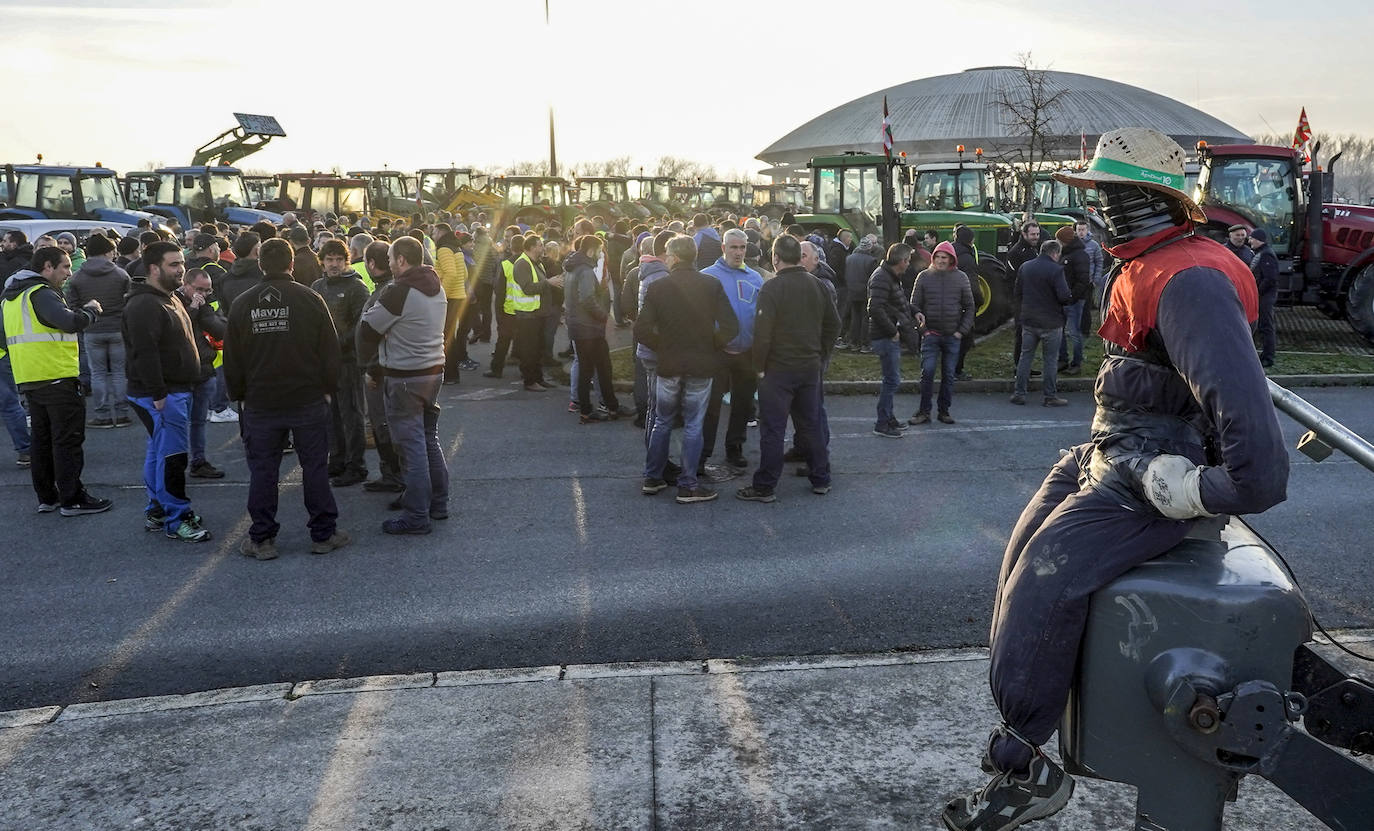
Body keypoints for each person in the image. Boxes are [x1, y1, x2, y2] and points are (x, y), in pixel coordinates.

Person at [943, 128, 1288, 831]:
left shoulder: (1187, 279)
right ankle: (1028, 739)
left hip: (1147, 470)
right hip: (1115, 450)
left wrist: (1191, 489)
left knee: (1047, 574)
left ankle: (1024, 766)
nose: (1095, 210)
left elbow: (1261, 468)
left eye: (1104, 196)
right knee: (1019, 561)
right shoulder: (1155, 263)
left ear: (1138, 199)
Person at [223, 238, 348, 560]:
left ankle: (262, 539)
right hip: (306, 398)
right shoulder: (311, 299)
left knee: (264, 471)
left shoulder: (243, 303)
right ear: (292, 265)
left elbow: (232, 358)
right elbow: (330, 351)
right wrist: (327, 388)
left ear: (261, 264)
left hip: (261, 402)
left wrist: (238, 395)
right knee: (315, 467)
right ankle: (324, 534)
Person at [0, 246, 109, 514]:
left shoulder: (11, 297)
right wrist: (91, 311)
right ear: (47, 267)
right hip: (57, 376)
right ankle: (73, 498)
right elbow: (68, 322)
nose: (69, 274)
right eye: (65, 267)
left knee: (42, 441)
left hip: (30, 377)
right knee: (67, 441)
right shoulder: (41, 293)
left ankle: (48, 496)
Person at [634, 235, 738, 504]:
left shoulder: (659, 288)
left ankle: (653, 477)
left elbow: (641, 329)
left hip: (669, 363)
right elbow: (730, 326)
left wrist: (664, 345)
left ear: (676, 257)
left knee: (662, 420)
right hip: (701, 363)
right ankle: (688, 484)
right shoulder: (711, 285)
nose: (665, 258)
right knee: (694, 423)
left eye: (667, 254)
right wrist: (712, 344)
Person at [357, 236, 450, 535]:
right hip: (433, 371)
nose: (388, 265)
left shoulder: (398, 291)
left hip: (404, 376)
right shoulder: (434, 285)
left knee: (412, 450)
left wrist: (370, 360)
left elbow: (367, 328)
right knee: (427, 439)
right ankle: (438, 503)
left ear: (400, 261)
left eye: (390, 259)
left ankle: (416, 516)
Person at [737, 234, 838, 502]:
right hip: (809, 365)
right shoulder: (817, 284)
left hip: (778, 370)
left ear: (775, 257)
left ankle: (765, 485)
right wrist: (821, 351)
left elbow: (763, 333)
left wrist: (758, 366)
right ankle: (821, 478)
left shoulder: (772, 288)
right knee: (811, 424)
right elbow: (833, 324)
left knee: (773, 429)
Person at [123, 241, 212, 542]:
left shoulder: (168, 298)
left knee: (160, 452)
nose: (181, 270)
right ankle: (177, 517)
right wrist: (159, 394)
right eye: (174, 265)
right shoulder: (144, 304)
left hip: (173, 391)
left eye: (181, 264)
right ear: (153, 268)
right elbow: (144, 352)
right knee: (173, 457)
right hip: (163, 395)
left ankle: (158, 509)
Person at [701, 228, 765, 470]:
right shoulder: (707, 277)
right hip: (717, 353)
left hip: (746, 352)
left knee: (743, 403)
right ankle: (704, 452)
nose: (738, 252)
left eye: (742, 248)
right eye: (733, 247)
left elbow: (761, 314)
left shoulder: (754, 278)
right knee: (712, 405)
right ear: (723, 248)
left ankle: (734, 448)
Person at [312, 238, 371, 486]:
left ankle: (356, 466)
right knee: (330, 415)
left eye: (339, 259)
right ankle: (336, 460)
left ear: (346, 261)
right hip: (325, 363)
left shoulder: (357, 288)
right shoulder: (317, 285)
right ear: (322, 262)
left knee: (352, 414)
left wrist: (335, 344)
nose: (334, 264)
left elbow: (361, 325)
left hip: (348, 361)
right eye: (329, 259)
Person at [66, 233, 132, 428]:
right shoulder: (120, 274)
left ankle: (102, 415)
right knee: (120, 372)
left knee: (98, 373)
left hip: (92, 330)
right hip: (118, 327)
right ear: (107, 252)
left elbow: (72, 305)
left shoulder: (77, 277)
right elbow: (130, 301)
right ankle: (122, 414)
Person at [909, 241, 974, 425]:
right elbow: (914, 305)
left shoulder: (961, 278)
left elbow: (970, 307)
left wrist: (961, 332)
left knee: (948, 375)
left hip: (953, 335)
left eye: (944, 257)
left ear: (951, 259)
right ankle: (923, 411)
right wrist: (923, 328)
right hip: (931, 334)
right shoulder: (923, 277)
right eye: (937, 256)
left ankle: (944, 411)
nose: (940, 260)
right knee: (927, 372)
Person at [563, 234, 627, 422]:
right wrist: (604, 316)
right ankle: (588, 410)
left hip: (580, 325)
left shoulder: (572, 267)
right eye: (599, 250)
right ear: (591, 250)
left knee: (601, 366)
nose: (601, 254)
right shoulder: (585, 270)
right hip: (587, 327)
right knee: (590, 369)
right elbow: (587, 299)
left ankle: (611, 406)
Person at [176, 268, 228, 479]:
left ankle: (198, 461)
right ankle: (175, 466)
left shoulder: (205, 302)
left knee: (198, 421)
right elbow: (177, 330)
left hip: (204, 370)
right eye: (199, 289)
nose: (204, 295)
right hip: (181, 373)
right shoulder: (174, 301)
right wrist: (193, 308)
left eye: (207, 291)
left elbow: (219, 329)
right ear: (186, 285)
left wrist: (203, 308)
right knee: (177, 424)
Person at [1010, 239, 1071, 407]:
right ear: (1055, 253)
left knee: (1025, 357)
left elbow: (1018, 292)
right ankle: (1050, 397)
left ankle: (1019, 393)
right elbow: (1064, 296)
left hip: (1029, 321)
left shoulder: (1026, 267)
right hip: (1051, 323)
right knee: (1050, 360)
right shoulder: (1056, 270)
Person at [867, 243, 914, 438]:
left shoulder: (890, 276)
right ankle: (882, 423)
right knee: (892, 380)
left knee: (891, 379)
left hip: (887, 334)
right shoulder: (882, 277)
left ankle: (889, 418)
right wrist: (892, 331)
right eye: (908, 260)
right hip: (884, 336)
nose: (909, 264)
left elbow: (898, 302)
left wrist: (916, 312)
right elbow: (874, 308)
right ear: (902, 261)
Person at [509, 235, 552, 391]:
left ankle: (538, 378)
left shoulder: (537, 263)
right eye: (540, 245)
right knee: (529, 349)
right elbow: (527, 288)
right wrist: (548, 283)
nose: (543, 248)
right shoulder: (522, 264)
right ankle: (529, 380)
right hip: (527, 315)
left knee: (538, 348)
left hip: (537, 313)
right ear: (532, 247)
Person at [1054, 225, 1091, 375]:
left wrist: (1071, 297)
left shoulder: (1079, 255)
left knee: (1074, 332)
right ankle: (1063, 360)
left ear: (1065, 241)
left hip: (1074, 301)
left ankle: (1076, 363)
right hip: (1064, 299)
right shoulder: (1066, 254)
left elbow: (1082, 280)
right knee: (1060, 331)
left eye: (1058, 240)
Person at [435, 230, 469, 385]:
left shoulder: (444, 249)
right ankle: (452, 374)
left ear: (441, 233)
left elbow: (451, 273)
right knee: (450, 337)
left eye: (436, 231)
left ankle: (449, 375)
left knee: (445, 338)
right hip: (458, 297)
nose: (434, 234)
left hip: (449, 298)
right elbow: (465, 274)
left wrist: (441, 295)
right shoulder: (457, 249)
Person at [1248, 227, 1279, 368]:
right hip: (1263, 296)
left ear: (1259, 239)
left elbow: (1270, 278)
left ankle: (1268, 357)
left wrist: (1257, 292)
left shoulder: (1266, 255)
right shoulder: (1262, 253)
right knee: (1264, 326)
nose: (1249, 241)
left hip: (1265, 297)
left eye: (1251, 238)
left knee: (1266, 326)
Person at [842, 235, 879, 352]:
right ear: (869, 248)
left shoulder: (849, 258)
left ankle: (854, 342)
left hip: (852, 292)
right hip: (865, 293)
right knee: (865, 318)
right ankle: (865, 344)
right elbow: (873, 278)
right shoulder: (871, 260)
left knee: (855, 317)